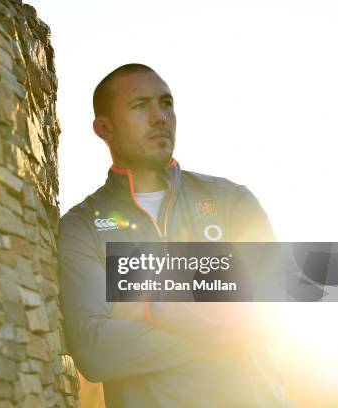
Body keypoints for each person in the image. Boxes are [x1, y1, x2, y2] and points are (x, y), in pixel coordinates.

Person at [58, 64, 293, 407]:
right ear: (103, 128)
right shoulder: (82, 227)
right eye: (140, 106)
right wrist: (222, 323)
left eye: (166, 103)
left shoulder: (231, 201)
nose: (160, 117)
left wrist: (154, 307)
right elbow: (96, 352)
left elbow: (271, 311)